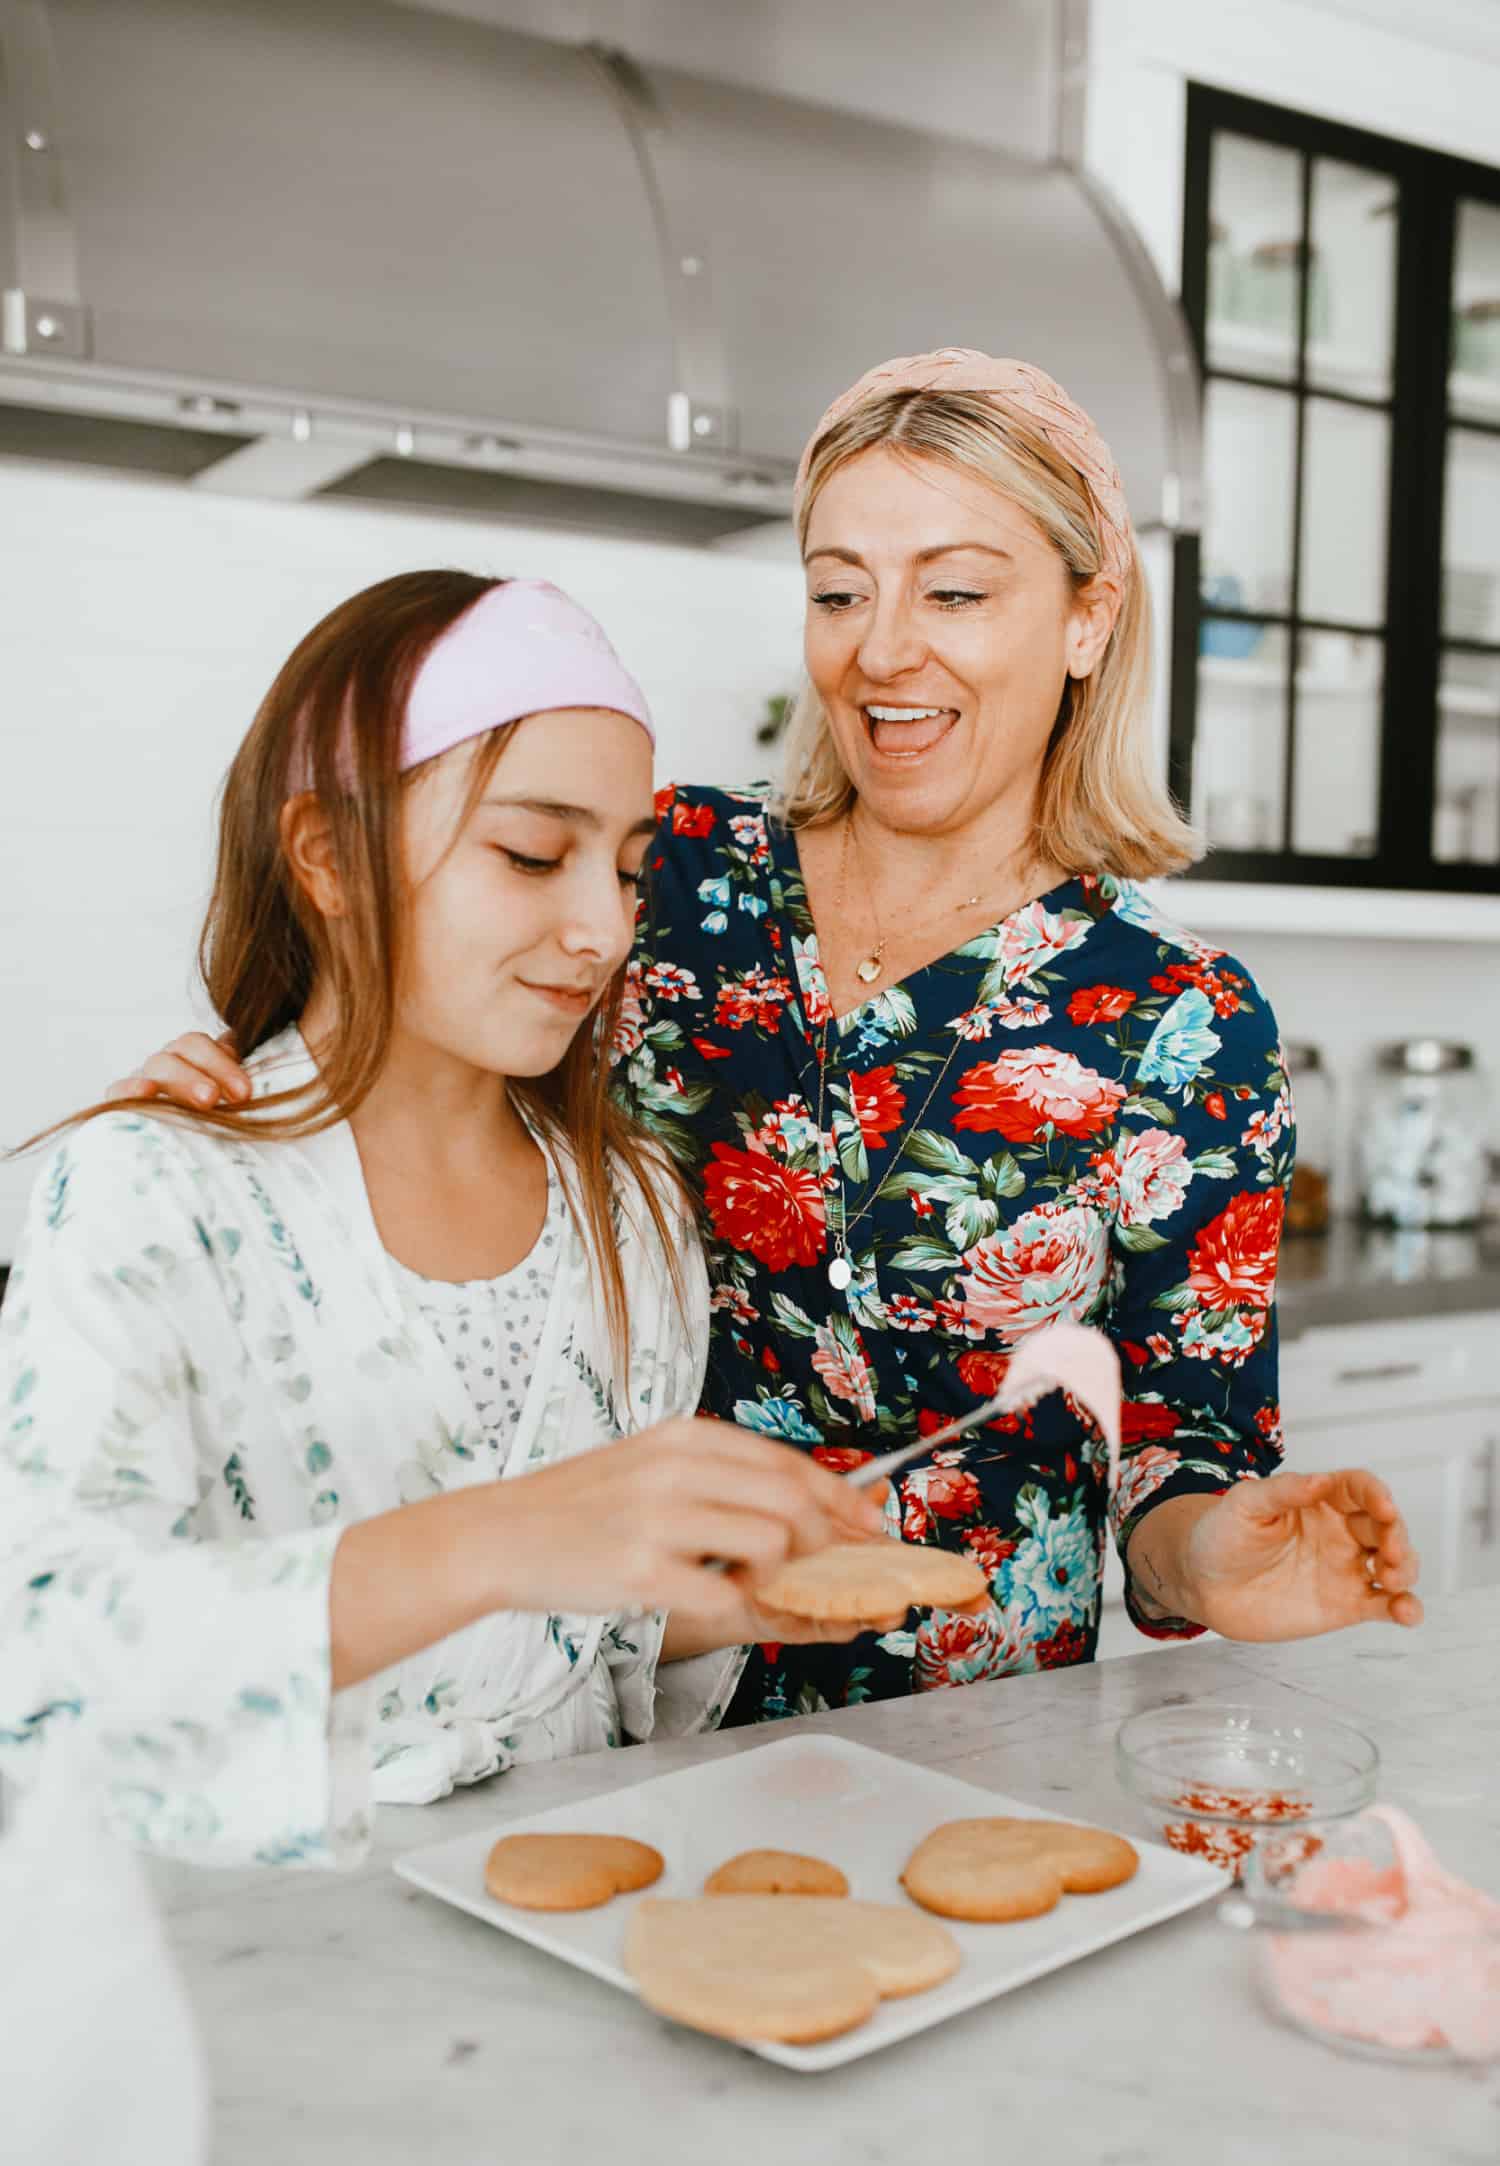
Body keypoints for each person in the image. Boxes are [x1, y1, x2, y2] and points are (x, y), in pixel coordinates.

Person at [105, 351, 1423, 1733]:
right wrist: (257, 1104)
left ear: (1089, 618)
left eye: (957, 592)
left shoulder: (1182, 1019)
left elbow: (1182, 1450)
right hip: (594, 1712)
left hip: (972, 1744)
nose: (881, 648)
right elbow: (416, 1082)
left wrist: (1217, 1554)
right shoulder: (660, 871)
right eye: (839, 590)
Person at [0, 571, 892, 1867]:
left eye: (632, 872)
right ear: (325, 857)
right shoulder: (159, 1188)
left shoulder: (629, 1212)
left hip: (582, 1948)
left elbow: (568, 1661)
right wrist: (504, 1533)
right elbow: (43, 1654)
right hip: (268, 1987)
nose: (598, 928)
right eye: (531, 853)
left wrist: (703, 1593)